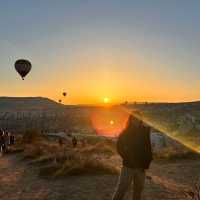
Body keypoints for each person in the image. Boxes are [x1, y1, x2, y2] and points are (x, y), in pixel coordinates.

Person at [112, 114, 153, 200]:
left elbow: (148, 147)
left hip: (141, 167)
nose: (136, 121)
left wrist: (147, 161)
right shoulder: (125, 132)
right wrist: (127, 157)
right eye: (134, 119)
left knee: (138, 190)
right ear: (130, 120)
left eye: (137, 119)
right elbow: (119, 147)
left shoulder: (145, 131)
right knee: (122, 189)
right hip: (128, 167)